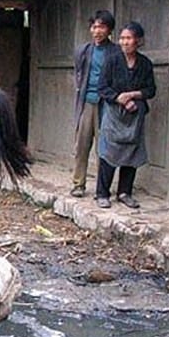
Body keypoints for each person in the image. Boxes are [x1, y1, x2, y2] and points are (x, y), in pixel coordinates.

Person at [94, 21, 156, 209]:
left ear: (138, 40)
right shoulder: (112, 60)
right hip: (114, 113)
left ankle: (124, 192)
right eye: (122, 38)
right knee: (109, 152)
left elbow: (151, 90)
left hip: (135, 115)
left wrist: (133, 95)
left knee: (131, 153)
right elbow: (102, 87)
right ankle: (102, 193)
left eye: (128, 38)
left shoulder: (145, 63)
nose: (124, 42)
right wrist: (119, 98)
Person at [70, 10, 122, 197]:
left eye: (101, 27)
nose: (97, 31)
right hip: (87, 103)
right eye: (94, 27)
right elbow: (78, 74)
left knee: (105, 148)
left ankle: (102, 188)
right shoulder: (84, 50)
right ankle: (78, 184)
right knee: (81, 146)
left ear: (109, 30)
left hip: (106, 104)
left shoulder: (116, 52)